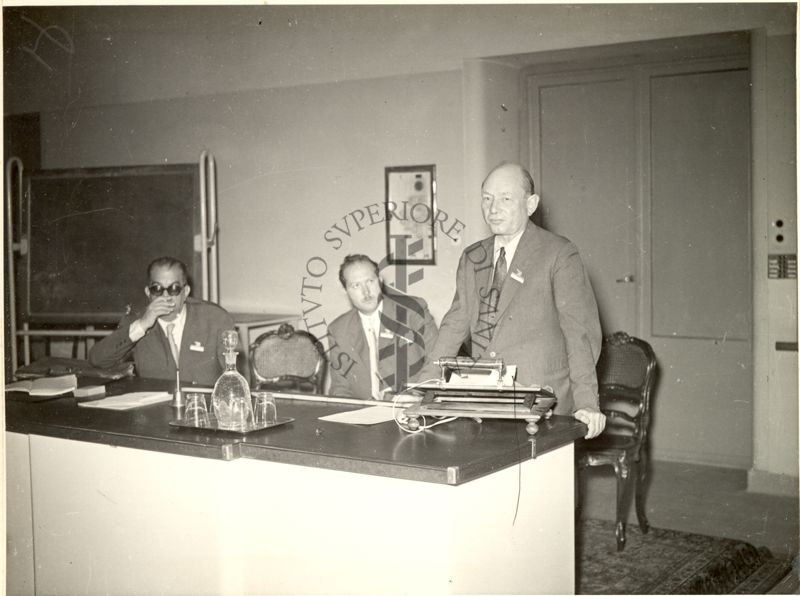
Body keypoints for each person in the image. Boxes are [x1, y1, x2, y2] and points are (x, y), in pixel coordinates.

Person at [419, 162, 606, 438]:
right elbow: (453, 326)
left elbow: (580, 335)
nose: (493, 209)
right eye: (487, 198)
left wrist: (588, 403)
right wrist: (423, 387)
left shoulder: (558, 253)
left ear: (530, 204)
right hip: (486, 406)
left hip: (543, 406)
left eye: (506, 199)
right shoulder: (472, 257)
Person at [89, 256, 234, 386]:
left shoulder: (214, 318)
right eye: (157, 289)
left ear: (186, 292)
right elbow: (98, 360)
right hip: (156, 411)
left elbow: (234, 378)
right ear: (148, 293)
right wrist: (142, 325)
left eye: (174, 288)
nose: (165, 296)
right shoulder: (136, 322)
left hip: (202, 408)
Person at [327, 254, 438, 400]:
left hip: (413, 409)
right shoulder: (338, 329)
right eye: (356, 286)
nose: (366, 292)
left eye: (370, 282)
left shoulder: (413, 312)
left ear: (380, 281)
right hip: (362, 415)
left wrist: (416, 397)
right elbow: (340, 389)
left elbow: (438, 363)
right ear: (345, 290)